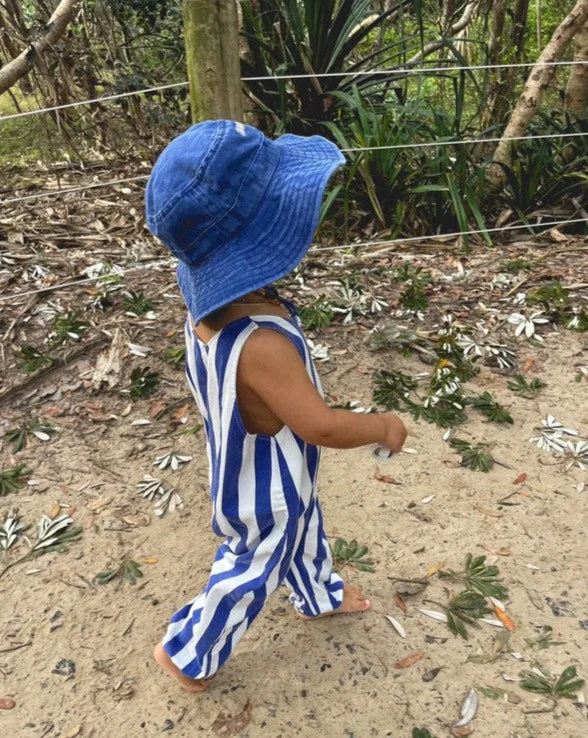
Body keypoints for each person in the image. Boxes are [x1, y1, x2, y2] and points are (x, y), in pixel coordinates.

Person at [145, 120, 407, 693]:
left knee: (306, 527)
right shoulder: (260, 343)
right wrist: (382, 425)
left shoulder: (206, 304)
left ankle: (317, 593)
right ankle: (189, 653)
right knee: (250, 568)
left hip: (264, 464)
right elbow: (319, 425)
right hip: (264, 486)